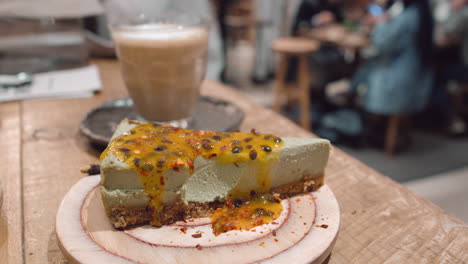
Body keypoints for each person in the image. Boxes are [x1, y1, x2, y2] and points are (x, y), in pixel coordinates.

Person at [350, 0, 434, 117]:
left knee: (364, 69)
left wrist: (381, 22)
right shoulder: (421, 13)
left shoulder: (406, 18)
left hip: (397, 81)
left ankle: (354, 109)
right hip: (415, 76)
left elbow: (382, 45)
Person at [434, 0, 468, 136]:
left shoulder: (464, 15)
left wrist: (443, 19)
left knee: (433, 80)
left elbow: (445, 38)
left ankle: (454, 119)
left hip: (465, 68)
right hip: (461, 63)